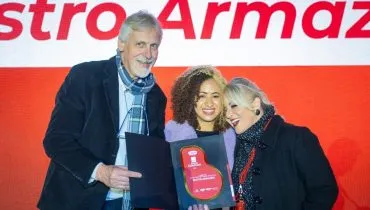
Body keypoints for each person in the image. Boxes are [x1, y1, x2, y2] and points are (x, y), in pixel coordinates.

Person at [37, 10, 167, 210]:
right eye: (140, 44)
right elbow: (56, 141)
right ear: (122, 44)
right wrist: (101, 172)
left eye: (154, 46)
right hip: (76, 201)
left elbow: (154, 152)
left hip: (129, 203)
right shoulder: (85, 76)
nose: (148, 54)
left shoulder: (156, 96)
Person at [223, 77, 338, 210]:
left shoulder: (296, 138)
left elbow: (324, 191)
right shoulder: (236, 145)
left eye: (234, 106)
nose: (228, 114)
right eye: (225, 109)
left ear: (255, 104)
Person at [164, 65, 236, 210]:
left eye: (215, 96)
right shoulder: (171, 133)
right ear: (189, 98)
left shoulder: (232, 134)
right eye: (201, 96)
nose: (209, 103)